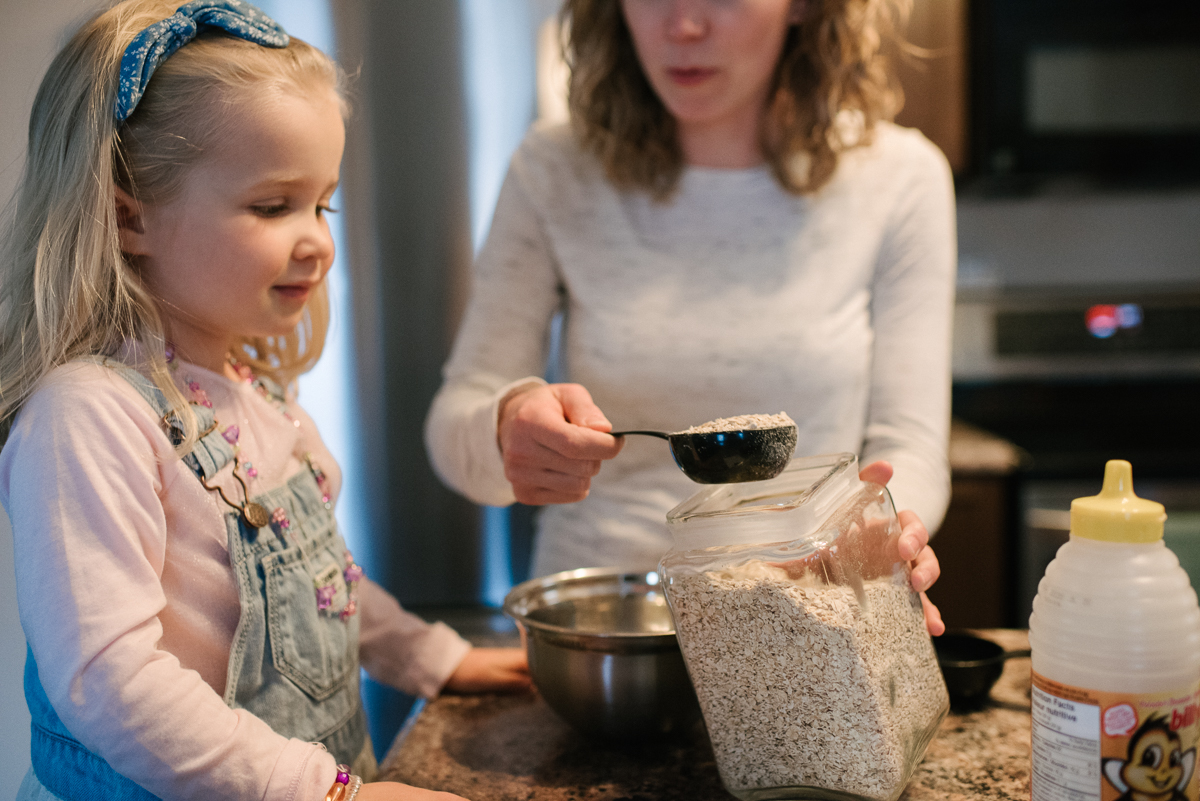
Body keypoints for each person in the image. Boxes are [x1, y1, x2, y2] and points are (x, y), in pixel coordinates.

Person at [0, 2, 527, 800]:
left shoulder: (257, 394)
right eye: (273, 205)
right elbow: (111, 680)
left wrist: (433, 658)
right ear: (127, 215)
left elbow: (327, 586)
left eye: (324, 203)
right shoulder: (85, 417)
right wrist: (329, 792)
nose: (317, 237)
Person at [425, 0, 952, 632]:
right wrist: (507, 426)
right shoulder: (553, 169)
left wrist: (879, 531)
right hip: (603, 629)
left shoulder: (900, 177)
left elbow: (911, 444)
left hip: (806, 616)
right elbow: (455, 419)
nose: (684, 26)